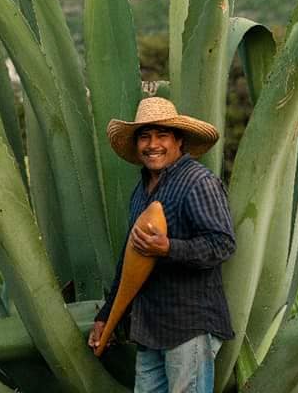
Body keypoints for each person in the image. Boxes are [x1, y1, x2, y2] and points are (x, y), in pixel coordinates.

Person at [88, 96, 236, 393]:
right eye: (145, 136)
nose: (152, 144)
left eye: (162, 135)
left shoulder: (198, 182)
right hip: (151, 326)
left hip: (189, 325)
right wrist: (107, 315)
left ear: (179, 141)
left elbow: (222, 244)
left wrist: (168, 248)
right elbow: (130, 260)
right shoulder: (141, 192)